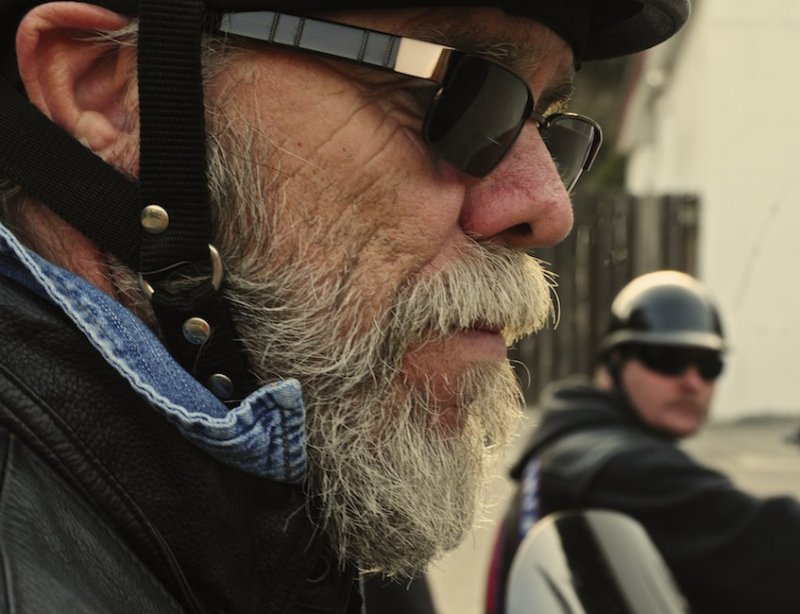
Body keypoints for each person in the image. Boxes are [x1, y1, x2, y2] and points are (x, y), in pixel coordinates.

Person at [0, 1, 690, 612]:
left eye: (549, 127)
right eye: (460, 94)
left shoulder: (327, 514)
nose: (548, 204)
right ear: (108, 91)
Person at [486, 270, 800, 614]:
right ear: (615, 362)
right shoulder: (615, 468)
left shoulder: (565, 444)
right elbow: (776, 547)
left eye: (709, 365)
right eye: (668, 359)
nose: (692, 381)